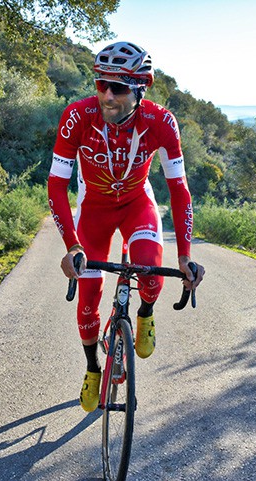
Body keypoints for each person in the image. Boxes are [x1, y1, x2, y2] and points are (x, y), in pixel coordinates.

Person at [47, 41, 205, 412]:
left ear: (139, 89)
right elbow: (56, 184)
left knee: (151, 273)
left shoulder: (160, 121)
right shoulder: (77, 116)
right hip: (94, 211)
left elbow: (178, 188)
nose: (107, 95)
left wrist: (185, 256)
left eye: (118, 88)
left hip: (137, 204)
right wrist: (72, 246)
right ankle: (92, 368)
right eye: (101, 84)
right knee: (87, 300)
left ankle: (145, 314)